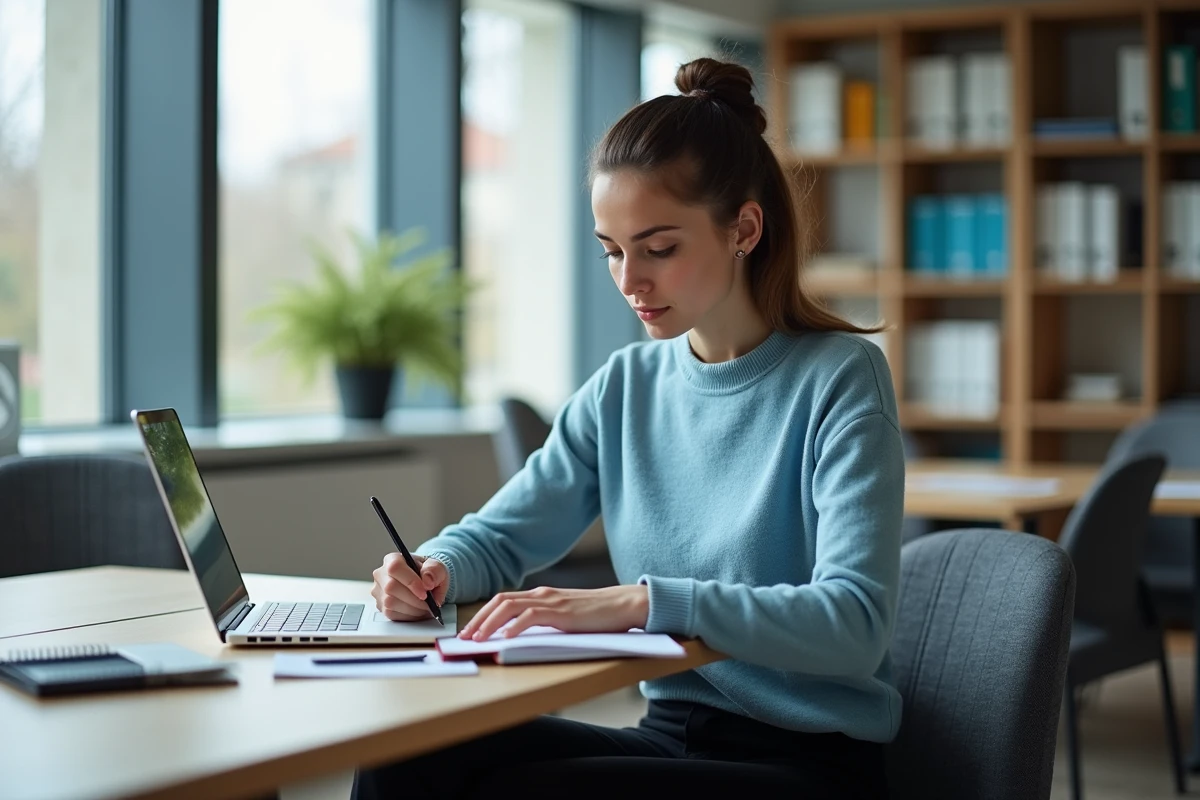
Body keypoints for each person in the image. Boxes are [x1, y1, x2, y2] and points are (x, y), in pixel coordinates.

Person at [354, 56, 903, 800]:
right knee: (404, 748)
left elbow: (855, 622)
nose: (629, 281)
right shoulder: (626, 386)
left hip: (805, 758)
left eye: (659, 248)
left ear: (743, 228)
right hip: (669, 732)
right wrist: (435, 567)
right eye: (612, 250)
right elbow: (505, 534)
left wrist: (643, 601)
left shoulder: (840, 378)